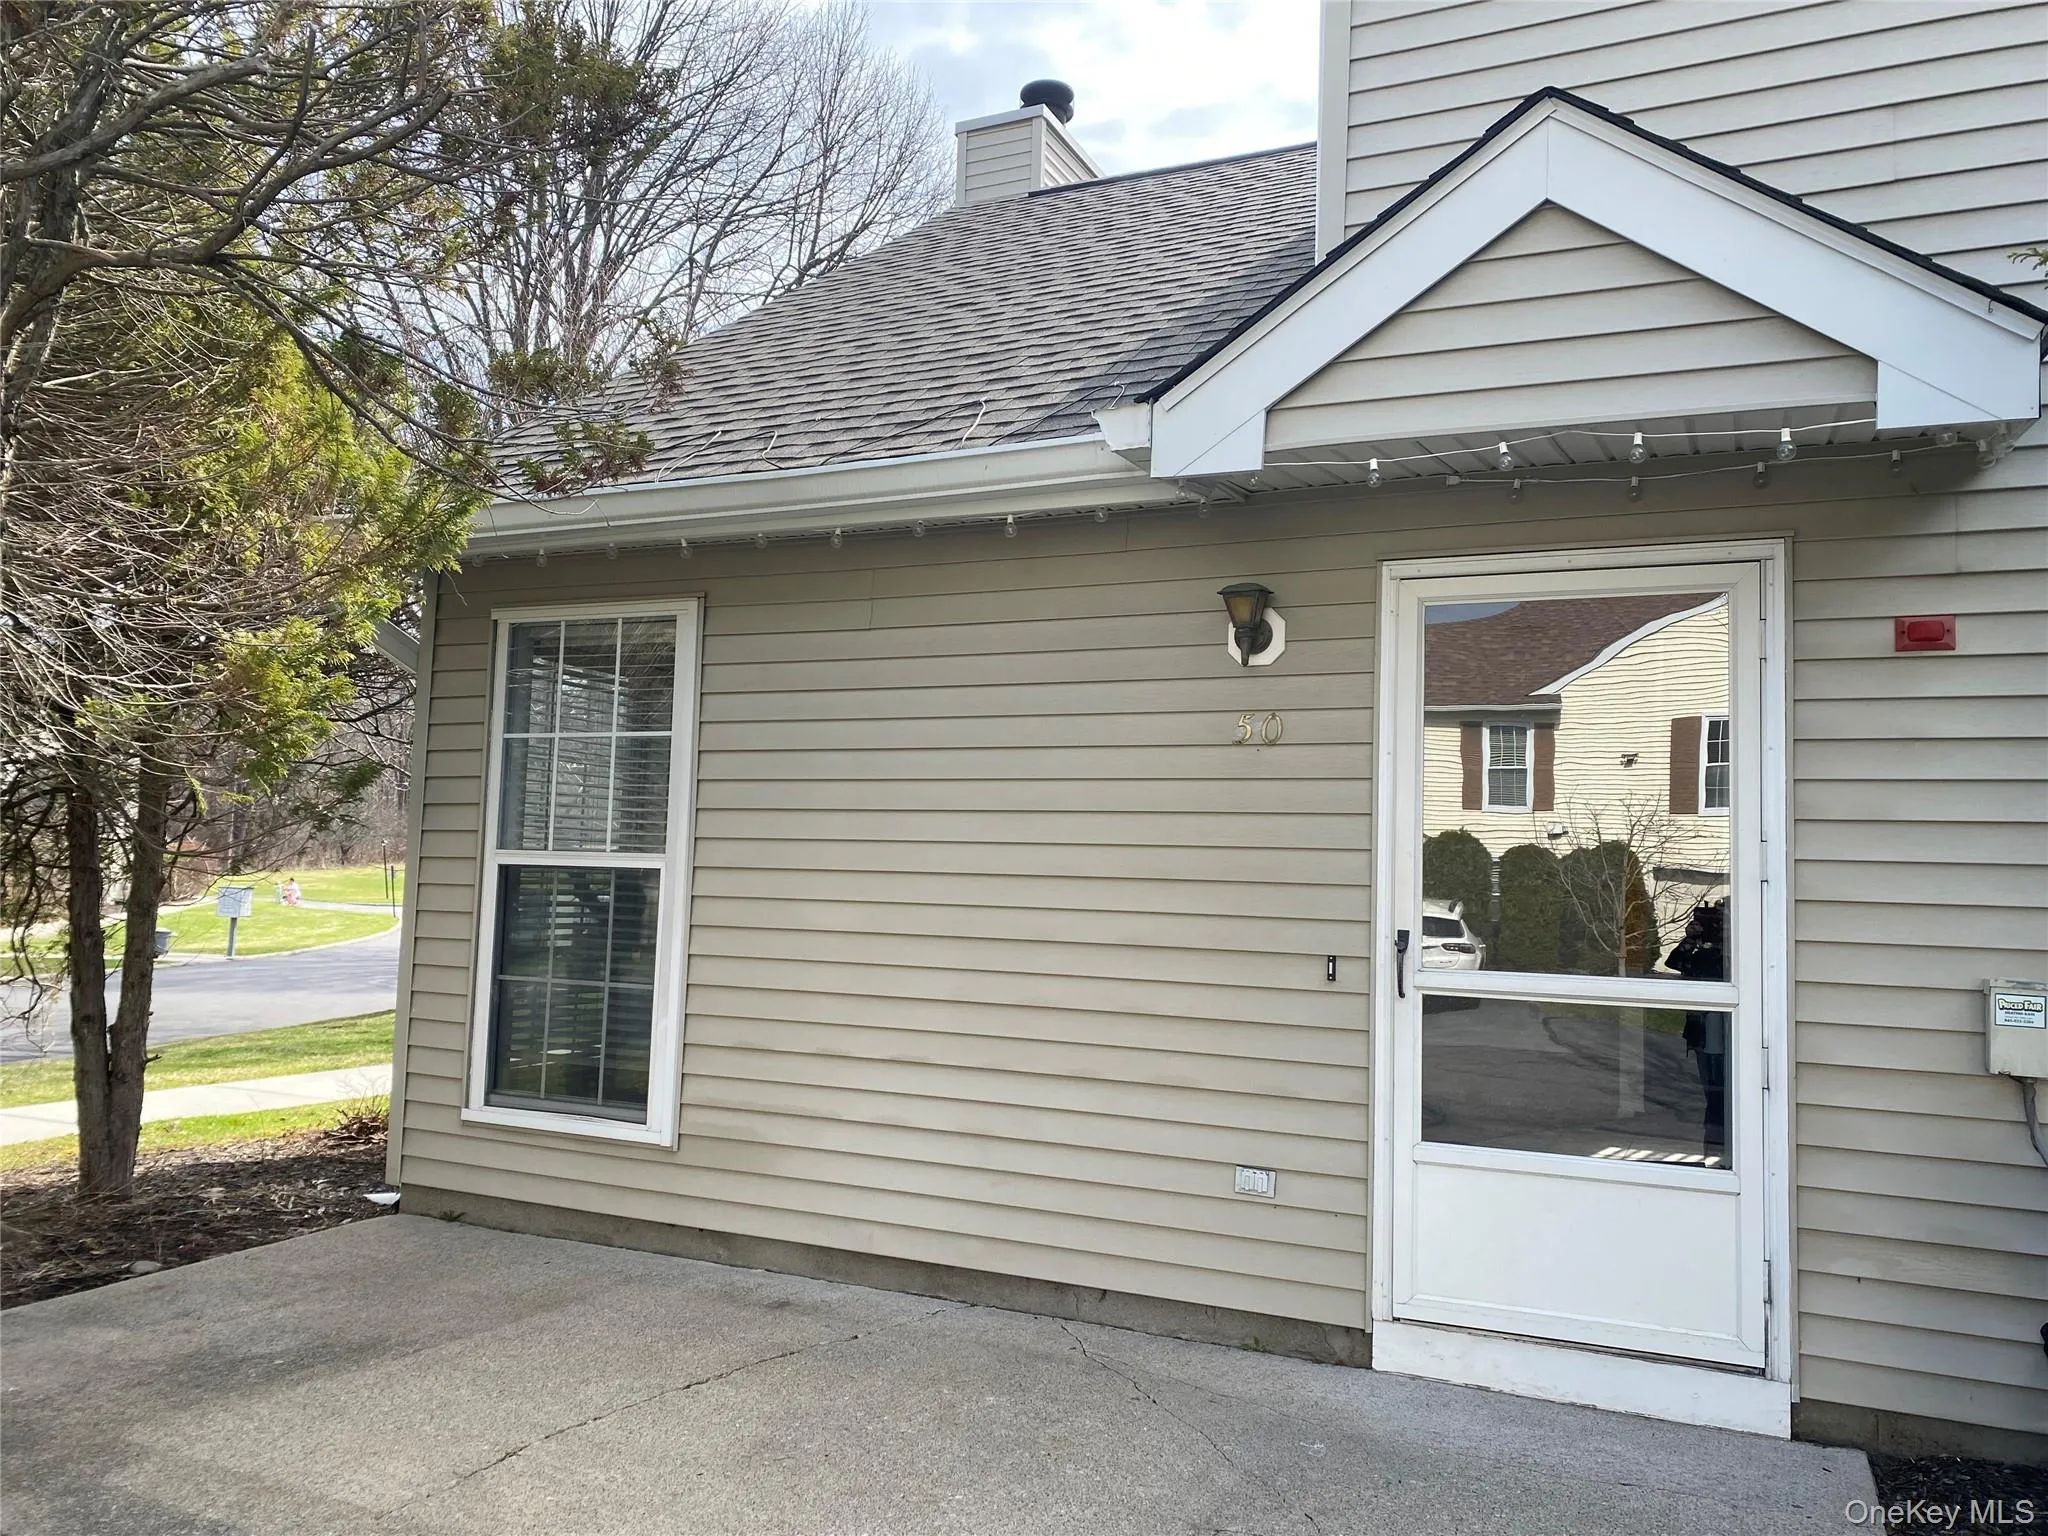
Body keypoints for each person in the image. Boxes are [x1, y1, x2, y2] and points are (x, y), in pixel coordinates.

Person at [1666, 898, 1728, 1152]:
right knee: (1712, 1094)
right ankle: (1712, 1149)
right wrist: (1691, 938)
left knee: (1725, 1092)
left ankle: (1722, 1147)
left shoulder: (1734, 952)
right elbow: (1675, 963)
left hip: (1727, 1030)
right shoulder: (1701, 952)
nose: (1715, 925)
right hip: (1701, 1030)